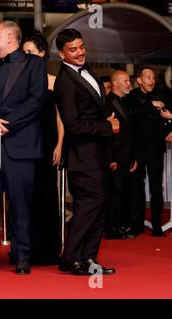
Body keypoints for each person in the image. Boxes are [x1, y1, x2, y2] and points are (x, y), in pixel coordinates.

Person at [0, 21, 47, 275]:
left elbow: (37, 100)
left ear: (8, 37)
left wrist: (7, 124)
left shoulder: (35, 64)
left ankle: (21, 256)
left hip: (20, 144)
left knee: (21, 205)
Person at [54, 29, 118, 276]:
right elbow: (73, 125)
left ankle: (88, 258)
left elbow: (94, 111)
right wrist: (107, 126)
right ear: (61, 53)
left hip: (98, 154)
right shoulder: (65, 82)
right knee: (89, 206)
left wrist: (106, 127)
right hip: (82, 156)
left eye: (81, 47)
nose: (79, 52)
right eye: (73, 49)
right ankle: (70, 258)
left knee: (98, 206)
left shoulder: (88, 71)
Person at [21, 31, 63, 265]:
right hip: (24, 145)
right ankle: (25, 250)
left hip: (47, 144)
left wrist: (60, 144)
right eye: (24, 53)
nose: (27, 57)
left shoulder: (54, 81)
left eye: (31, 52)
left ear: (43, 53)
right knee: (24, 198)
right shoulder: (19, 81)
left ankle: (47, 250)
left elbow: (60, 117)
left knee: (46, 196)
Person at [126, 66, 171, 237]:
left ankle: (157, 225)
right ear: (139, 80)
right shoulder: (132, 97)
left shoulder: (162, 95)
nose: (151, 80)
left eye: (153, 77)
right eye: (148, 77)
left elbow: (169, 115)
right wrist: (151, 105)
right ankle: (136, 225)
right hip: (137, 149)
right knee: (136, 187)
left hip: (156, 148)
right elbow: (131, 112)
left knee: (156, 188)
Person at [104, 70, 138, 239]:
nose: (128, 84)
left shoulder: (125, 102)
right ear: (115, 83)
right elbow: (106, 135)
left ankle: (117, 226)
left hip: (125, 156)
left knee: (122, 193)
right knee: (114, 194)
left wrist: (132, 157)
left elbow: (128, 133)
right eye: (125, 81)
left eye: (128, 81)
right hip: (114, 157)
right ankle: (110, 229)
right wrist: (110, 159)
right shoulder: (106, 103)